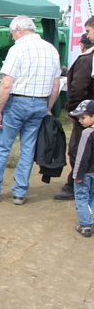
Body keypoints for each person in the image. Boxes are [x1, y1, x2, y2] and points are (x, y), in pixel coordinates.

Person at [0, 16, 61, 205]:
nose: (12, 36)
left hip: (17, 103)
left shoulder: (18, 49)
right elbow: (56, 84)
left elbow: (6, 84)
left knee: (2, 148)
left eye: (12, 33)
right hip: (39, 104)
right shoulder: (51, 50)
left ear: (19, 30)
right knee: (28, 149)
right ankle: (20, 192)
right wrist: (48, 108)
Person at [55, 22, 94, 200]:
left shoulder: (87, 60)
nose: (88, 33)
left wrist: (74, 111)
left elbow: (78, 88)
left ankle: (76, 185)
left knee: (78, 150)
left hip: (87, 114)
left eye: (88, 30)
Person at [66, 99, 94, 237]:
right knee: (93, 196)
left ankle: (85, 225)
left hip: (85, 173)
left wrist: (76, 175)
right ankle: (91, 218)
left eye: (83, 118)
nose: (80, 121)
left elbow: (82, 156)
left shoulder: (87, 133)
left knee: (82, 197)